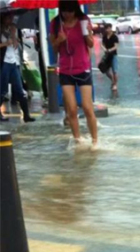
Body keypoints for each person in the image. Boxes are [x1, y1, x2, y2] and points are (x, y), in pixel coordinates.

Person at [49, 0, 98, 145]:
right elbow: (54, 49)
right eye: (64, 11)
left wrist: (86, 34)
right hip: (65, 70)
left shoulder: (84, 20)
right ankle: (78, 140)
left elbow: (90, 44)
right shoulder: (56, 23)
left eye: (70, 11)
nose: (67, 14)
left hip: (83, 68)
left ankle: (95, 141)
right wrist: (59, 40)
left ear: (75, 10)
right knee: (71, 109)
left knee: (88, 107)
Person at [0, 17, 35, 123]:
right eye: (7, 19)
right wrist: (5, 44)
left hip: (14, 62)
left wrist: (15, 39)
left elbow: (15, 46)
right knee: (2, 90)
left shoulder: (12, 30)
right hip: (3, 63)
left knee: (20, 90)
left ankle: (26, 115)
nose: (10, 20)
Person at [101, 24, 119, 91]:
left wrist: (110, 50)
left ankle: (115, 84)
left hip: (113, 55)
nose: (108, 30)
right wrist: (104, 49)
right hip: (107, 55)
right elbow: (102, 44)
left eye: (109, 28)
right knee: (106, 70)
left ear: (111, 28)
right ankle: (112, 80)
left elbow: (116, 46)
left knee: (115, 71)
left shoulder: (114, 37)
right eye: (106, 28)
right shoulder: (104, 36)